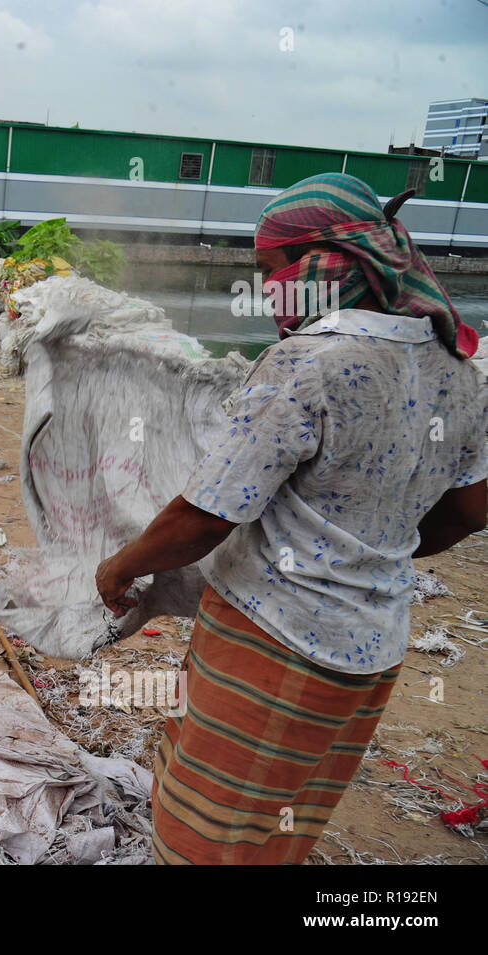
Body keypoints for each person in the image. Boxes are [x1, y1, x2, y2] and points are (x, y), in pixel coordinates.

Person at [96, 172, 487, 865]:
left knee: (205, 826)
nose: (266, 290)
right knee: (283, 819)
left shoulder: (307, 363)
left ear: (318, 265)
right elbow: (469, 508)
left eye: (269, 271)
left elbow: (205, 517)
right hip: (375, 647)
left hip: (272, 639)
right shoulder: (461, 363)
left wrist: (120, 565)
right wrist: (372, 547)